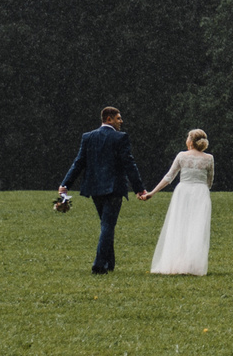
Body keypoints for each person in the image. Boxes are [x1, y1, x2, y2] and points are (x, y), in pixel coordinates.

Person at [57, 106, 146, 275]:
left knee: (106, 225)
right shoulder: (120, 138)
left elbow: (79, 163)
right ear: (109, 119)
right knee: (108, 225)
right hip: (114, 188)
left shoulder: (88, 137)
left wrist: (65, 183)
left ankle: (109, 263)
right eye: (118, 118)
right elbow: (129, 164)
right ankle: (99, 265)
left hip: (95, 187)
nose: (121, 121)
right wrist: (139, 188)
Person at [141, 128, 216, 276]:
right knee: (197, 227)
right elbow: (210, 181)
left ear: (190, 141)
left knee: (179, 225)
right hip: (201, 193)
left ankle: (176, 262)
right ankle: (193, 264)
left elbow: (169, 177)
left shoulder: (182, 156)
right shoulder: (209, 158)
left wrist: (152, 193)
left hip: (183, 193)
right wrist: (201, 188)